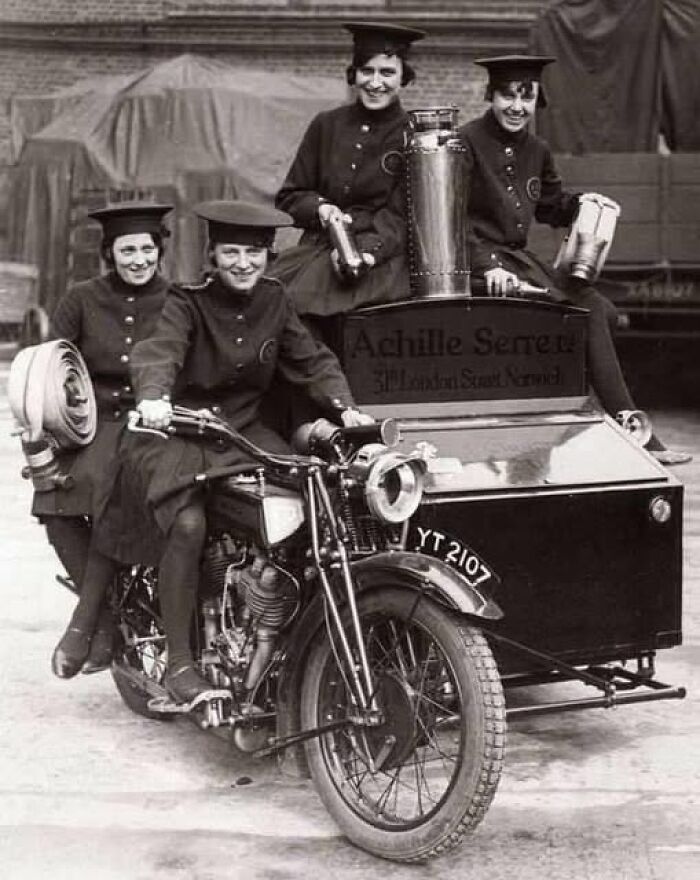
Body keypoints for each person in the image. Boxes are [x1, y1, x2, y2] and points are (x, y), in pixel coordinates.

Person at [95, 200, 373, 705]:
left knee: (321, 491)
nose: (243, 263)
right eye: (231, 252)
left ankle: (281, 620)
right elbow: (160, 350)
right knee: (188, 525)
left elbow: (313, 360)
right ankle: (181, 664)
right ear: (212, 255)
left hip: (242, 431)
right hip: (179, 432)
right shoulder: (187, 300)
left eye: (253, 253)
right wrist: (155, 398)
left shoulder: (275, 300)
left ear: (267, 256)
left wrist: (347, 409)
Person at [459, 54, 691, 465]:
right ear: (490, 96)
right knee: (588, 314)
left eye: (526, 97)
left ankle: (601, 419)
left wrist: (583, 204)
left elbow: (550, 206)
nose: (517, 107)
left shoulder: (537, 149)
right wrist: (485, 265)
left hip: (519, 261)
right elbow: (451, 219)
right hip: (481, 268)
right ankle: (628, 424)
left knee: (607, 312)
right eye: (507, 95)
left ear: (536, 101)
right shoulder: (467, 142)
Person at [44, 202, 175, 677]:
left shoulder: (179, 299)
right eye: (127, 250)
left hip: (152, 427)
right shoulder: (81, 298)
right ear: (109, 253)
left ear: (159, 252)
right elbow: (52, 364)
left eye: (146, 249)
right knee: (52, 502)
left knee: (112, 494)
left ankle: (84, 626)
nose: (138, 259)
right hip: (91, 425)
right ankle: (105, 620)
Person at [272, 20, 425, 347]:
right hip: (317, 248)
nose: (375, 83)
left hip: (381, 257)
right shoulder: (326, 125)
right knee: (276, 308)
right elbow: (291, 195)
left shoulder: (414, 135)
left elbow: (402, 217)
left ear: (403, 78)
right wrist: (322, 209)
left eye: (387, 73)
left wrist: (365, 254)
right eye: (367, 71)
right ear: (353, 75)